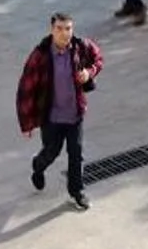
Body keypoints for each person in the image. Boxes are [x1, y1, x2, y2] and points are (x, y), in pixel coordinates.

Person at [15, 13, 102, 211]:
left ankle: (77, 191)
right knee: (51, 152)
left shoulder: (81, 47)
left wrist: (89, 72)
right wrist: (26, 123)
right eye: (59, 29)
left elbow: (98, 58)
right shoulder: (40, 56)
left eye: (68, 28)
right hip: (52, 118)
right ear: (52, 30)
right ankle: (38, 167)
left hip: (74, 114)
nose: (64, 33)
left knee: (76, 153)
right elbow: (25, 90)